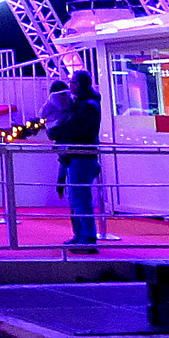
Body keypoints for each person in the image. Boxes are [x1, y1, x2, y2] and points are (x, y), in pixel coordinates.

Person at [49, 69, 103, 253]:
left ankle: (87, 237)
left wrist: (55, 132)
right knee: (77, 198)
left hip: (81, 156)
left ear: (78, 84)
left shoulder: (86, 106)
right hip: (81, 155)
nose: (69, 85)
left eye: (72, 82)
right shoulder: (87, 104)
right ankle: (81, 235)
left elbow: (75, 128)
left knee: (80, 198)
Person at [40, 80, 72, 198]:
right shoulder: (71, 98)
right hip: (67, 130)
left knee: (63, 162)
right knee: (66, 162)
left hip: (55, 129)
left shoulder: (52, 99)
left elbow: (42, 113)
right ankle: (63, 187)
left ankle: (60, 186)